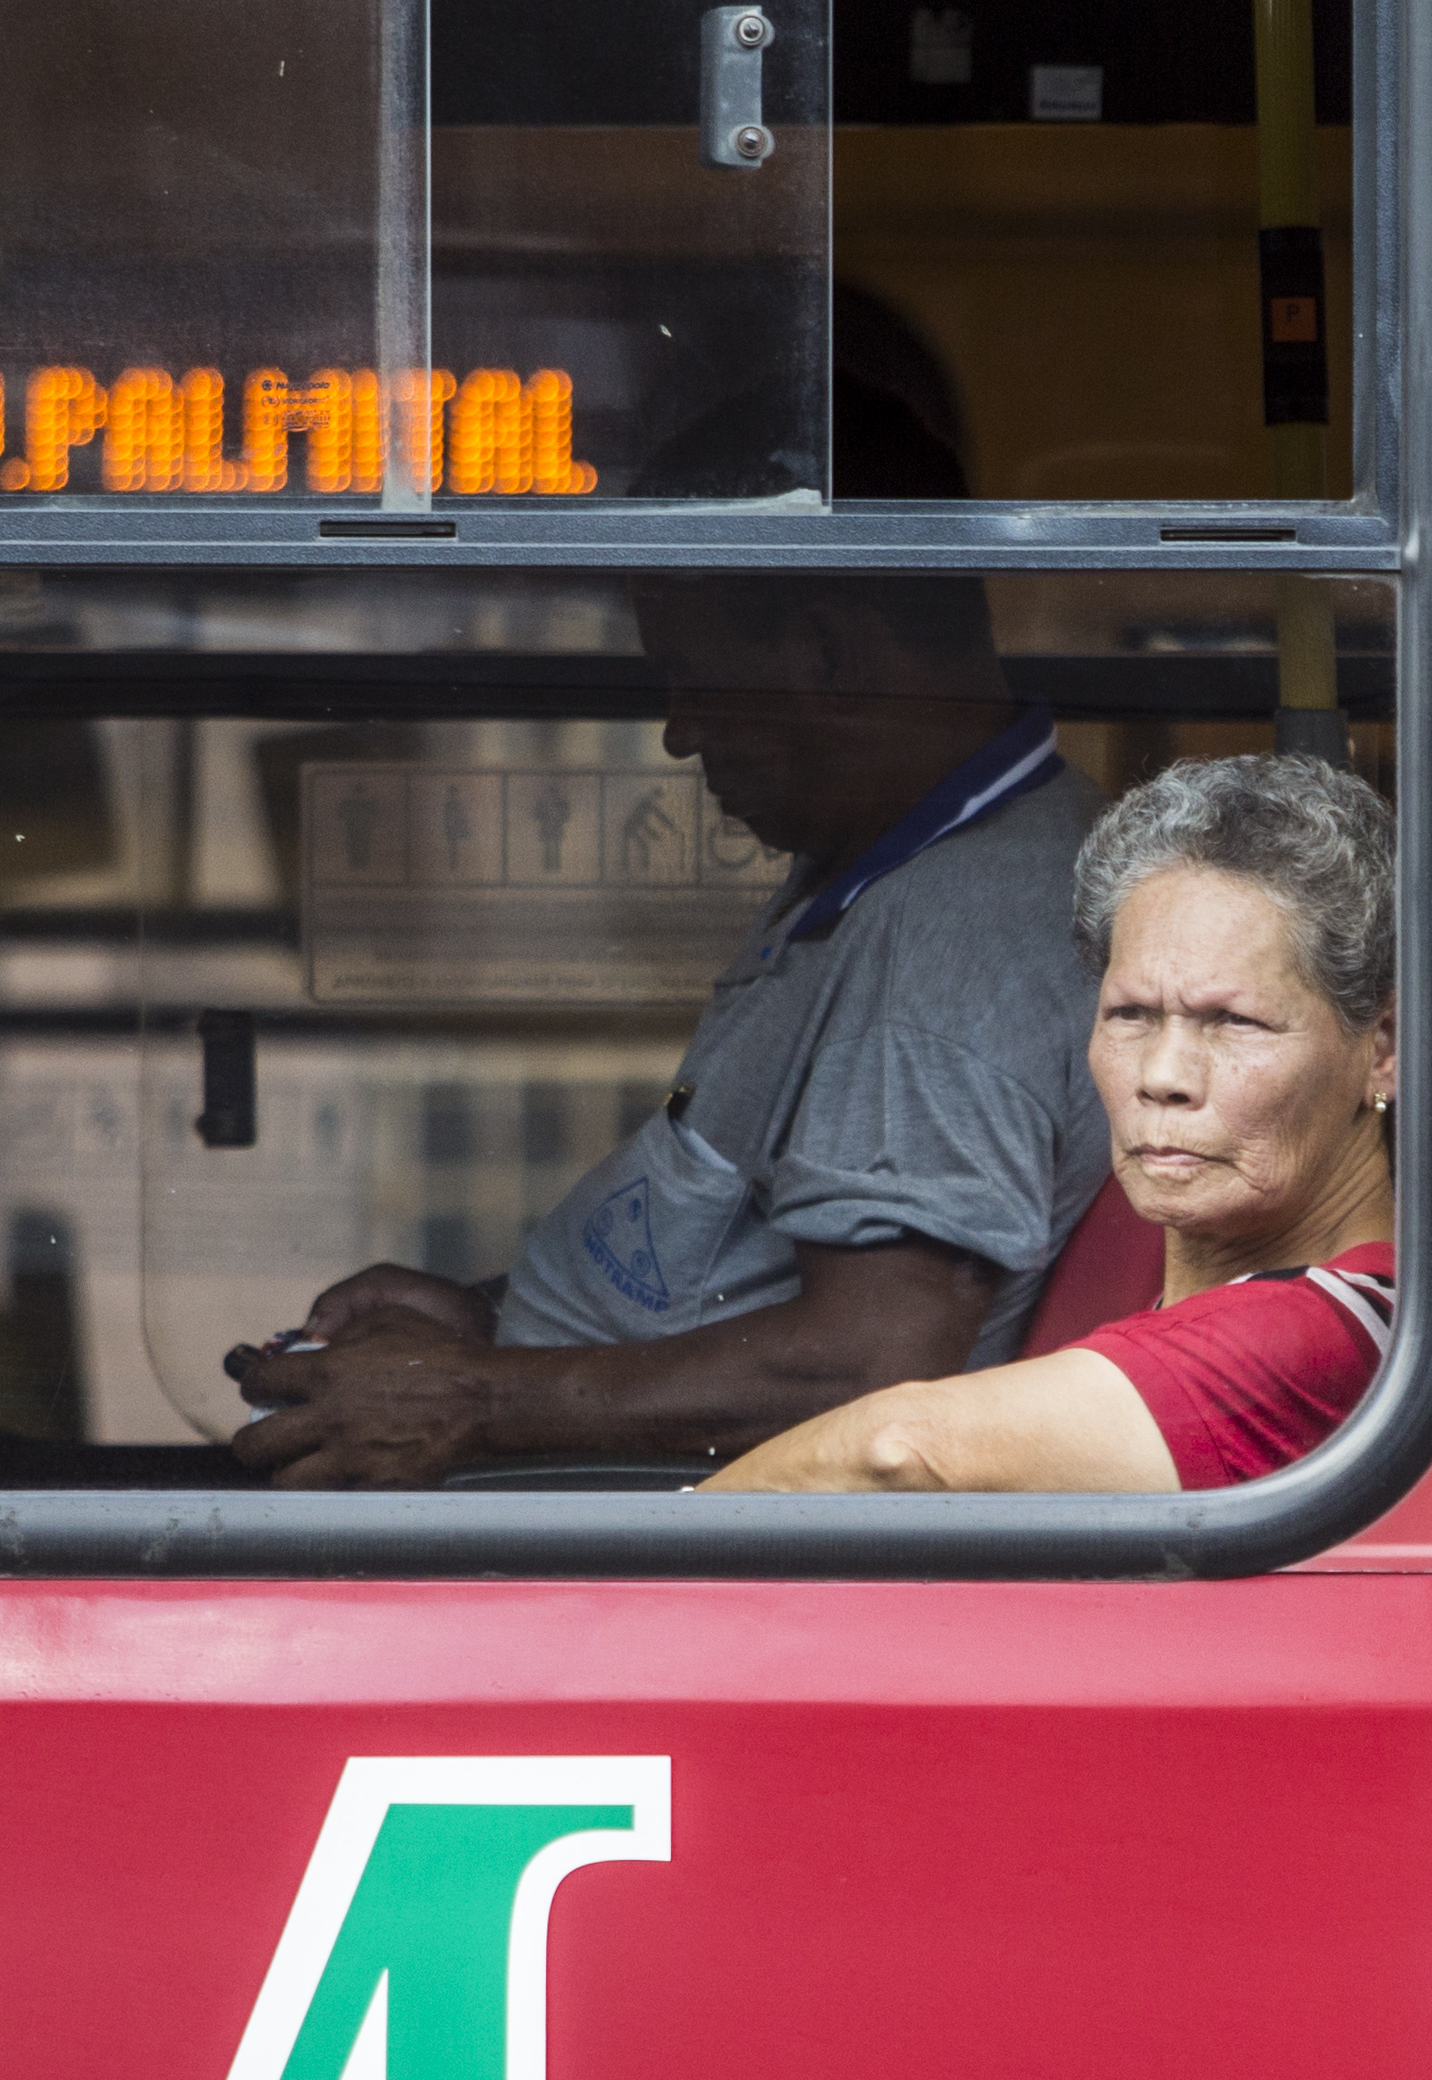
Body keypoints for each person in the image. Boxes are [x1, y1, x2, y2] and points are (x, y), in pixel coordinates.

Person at [226, 549, 1104, 1488]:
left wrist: (468, 1398)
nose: (680, 733)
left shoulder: (952, 942)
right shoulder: (886, 865)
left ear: (827, 657)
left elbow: (864, 1367)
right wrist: (489, 1325)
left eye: (701, 680)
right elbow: (724, 1267)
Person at [710, 755, 1396, 1495]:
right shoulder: (1146, 1257)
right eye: (1130, 1014)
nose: (1162, 1075)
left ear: (1381, 1049)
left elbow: (899, 1451)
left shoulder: (1330, 1334)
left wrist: (649, 1557)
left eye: (1233, 1022)